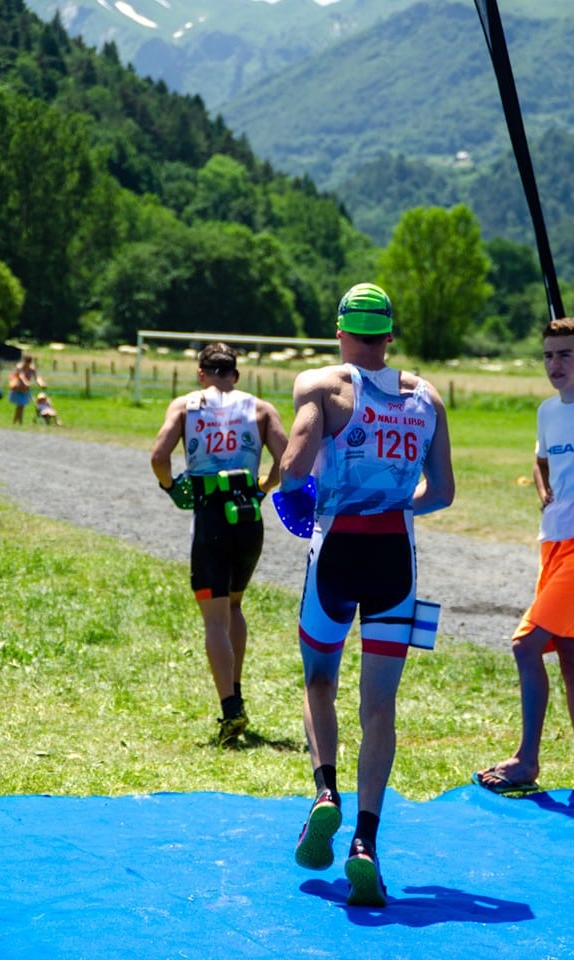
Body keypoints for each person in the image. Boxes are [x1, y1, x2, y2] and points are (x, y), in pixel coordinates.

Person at [279, 282, 454, 906]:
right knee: (380, 705)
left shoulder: (322, 387)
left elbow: (294, 467)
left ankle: (325, 790)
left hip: (337, 550)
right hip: (393, 558)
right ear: (389, 334)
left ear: (341, 332)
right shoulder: (427, 396)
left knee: (318, 679)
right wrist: (394, 501)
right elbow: (443, 492)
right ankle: (366, 844)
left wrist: (294, 497)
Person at [150, 342, 288, 746]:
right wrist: (264, 487)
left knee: (214, 617)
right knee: (234, 604)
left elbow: (159, 456)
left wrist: (171, 487)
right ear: (236, 374)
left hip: (210, 513)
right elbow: (290, 458)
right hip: (248, 516)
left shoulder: (186, 406)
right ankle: (238, 692)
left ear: (201, 373)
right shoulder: (260, 408)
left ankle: (230, 710)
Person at [473, 317, 574, 796]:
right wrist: (543, 490)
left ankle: (526, 760)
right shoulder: (546, 411)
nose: (554, 364)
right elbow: (541, 459)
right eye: (547, 355)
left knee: (525, 644)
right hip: (553, 540)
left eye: (564, 354)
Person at [8, 354, 46, 425]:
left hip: (25, 390)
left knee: (21, 406)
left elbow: (37, 377)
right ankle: (18, 422)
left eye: (29, 361)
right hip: (18, 388)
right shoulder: (19, 366)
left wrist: (41, 383)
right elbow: (21, 376)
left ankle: (16, 422)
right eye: (27, 361)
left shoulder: (32, 369)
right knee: (20, 405)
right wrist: (26, 383)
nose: (28, 363)